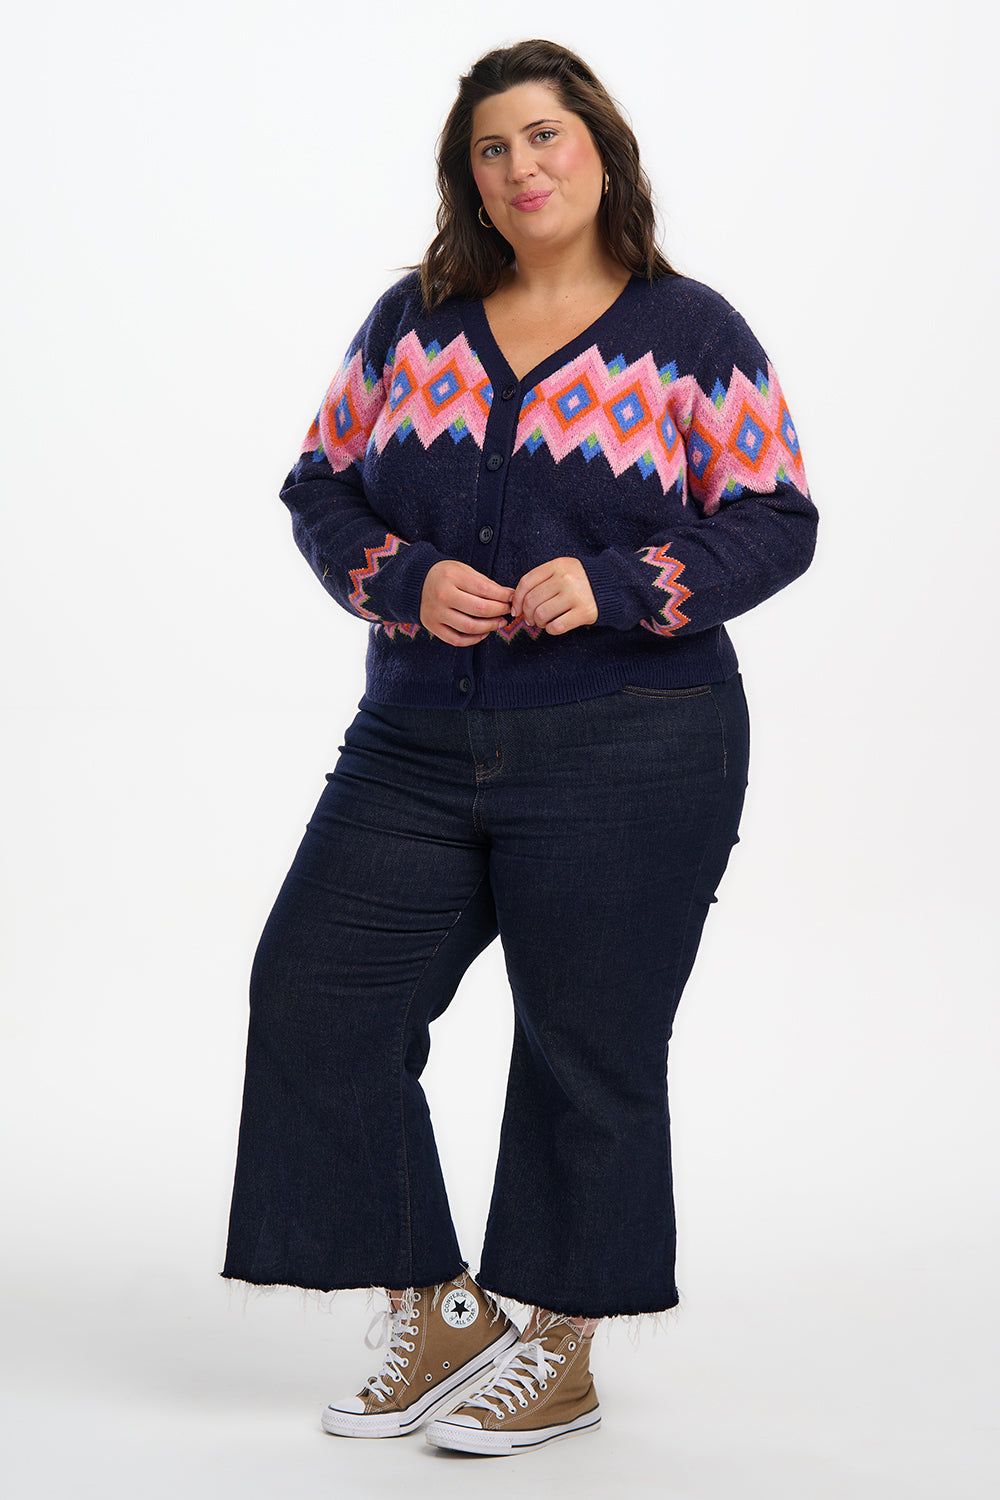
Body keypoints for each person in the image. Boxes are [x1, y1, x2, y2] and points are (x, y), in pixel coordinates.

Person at [222, 38, 818, 1457]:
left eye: (544, 137)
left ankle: (559, 1342)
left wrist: (620, 586)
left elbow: (775, 515)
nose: (521, 167)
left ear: (598, 151)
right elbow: (320, 484)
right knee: (314, 998)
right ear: (468, 179)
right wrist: (399, 576)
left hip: (636, 744)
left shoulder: (691, 332)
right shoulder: (413, 322)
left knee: (583, 1046)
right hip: (419, 738)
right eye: (491, 148)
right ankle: (439, 1309)